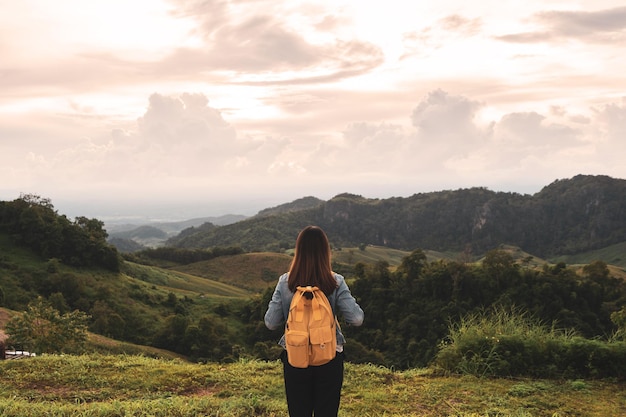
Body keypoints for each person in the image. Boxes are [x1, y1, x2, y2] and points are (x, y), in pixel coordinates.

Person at [264, 225, 364, 417]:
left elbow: (270, 322)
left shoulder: (285, 282)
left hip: (295, 356)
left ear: (298, 251)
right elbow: (357, 319)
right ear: (325, 252)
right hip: (329, 356)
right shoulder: (335, 281)